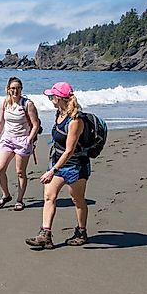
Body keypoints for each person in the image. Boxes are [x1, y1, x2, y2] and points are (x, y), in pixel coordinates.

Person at [26, 82, 90, 250]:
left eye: (51, 96)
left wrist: (52, 170)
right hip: (58, 163)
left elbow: (69, 151)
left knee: (77, 200)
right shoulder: (59, 114)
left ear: (59, 98)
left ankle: (81, 232)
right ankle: (45, 235)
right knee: (49, 196)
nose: (49, 99)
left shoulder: (75, 120)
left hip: (75, 166)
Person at [0, 76, 40, 211]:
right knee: (0, 169)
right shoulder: (5, 103)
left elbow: (35, 124)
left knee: (20, 172)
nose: (15, 91)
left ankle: (19, 200)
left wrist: (29, 139)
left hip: (22, 140)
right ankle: (6, 195)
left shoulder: (27, 104)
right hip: (7, 139)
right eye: (12, 88)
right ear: (8, 89)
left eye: (18, 88)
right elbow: (0, 122)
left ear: (21, 89)